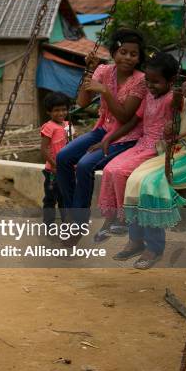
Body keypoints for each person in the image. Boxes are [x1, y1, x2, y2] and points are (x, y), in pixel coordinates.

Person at [116, 60, 186, 269]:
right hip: (178, 152)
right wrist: (170, 130)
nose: (184, 84)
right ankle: (136, 239)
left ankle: (154, 248)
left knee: (153, 185)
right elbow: (175, 133)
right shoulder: (183, 103)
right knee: (135, 178)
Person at [56, 28, 148, 230]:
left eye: (134, 54)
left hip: (126, 136)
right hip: (102, 129)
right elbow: (82, 102)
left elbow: (125, 117)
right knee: (62, 157)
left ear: (139, 58)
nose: (128, 58)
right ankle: (72, 211)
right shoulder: (103, 71)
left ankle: (78, 223)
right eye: (123, 52)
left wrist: (105, 91)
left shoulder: (140, 80)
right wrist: (89, 71)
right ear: (114, 53)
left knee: (84, 165)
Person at [95, 52, 178, 242]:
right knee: (109, 169)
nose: (149, 85)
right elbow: (134, 120)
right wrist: (109, 138)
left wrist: (172, 127)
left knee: (122, 172)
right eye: (147, 80)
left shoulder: (173, 99)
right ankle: (111, 218)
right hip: (143, 143)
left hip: (157, 147)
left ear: (171, 80)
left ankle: (125, 218)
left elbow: (185, 115)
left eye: (155, 82)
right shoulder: (149, 95)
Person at [40, 92, 73, 226]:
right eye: (56, 110)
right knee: (50, 198)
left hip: (66, 169)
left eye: (64, 109)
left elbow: (72, 145)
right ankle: (48, 223)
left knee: (64, 198)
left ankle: (66, 223)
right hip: (52, 171)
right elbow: (44, 149)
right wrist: (55, 165)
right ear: (49, 111)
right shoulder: (48, 127)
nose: (61, 113)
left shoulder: (68, 125)